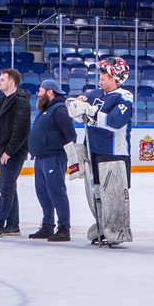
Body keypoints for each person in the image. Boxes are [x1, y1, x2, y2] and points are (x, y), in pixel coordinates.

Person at [80, 56, 136, 247]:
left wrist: (90, 112)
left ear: (115, 78)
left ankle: (118, 230)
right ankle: (103, 227)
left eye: (104, 76)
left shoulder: (124, 97)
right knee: (96, 191)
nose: (100, 79)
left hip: (114, 154)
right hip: (93, 150)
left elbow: (114, 123)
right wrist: (76, 103)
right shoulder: (96, 93)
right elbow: (81, 102)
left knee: (114, 193)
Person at [27, 79, 76, 241]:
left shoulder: (59, 109)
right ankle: (48, 225)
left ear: (49, 92)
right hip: (41, 158)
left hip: (53, 157)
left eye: (40, 90)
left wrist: (68, 153)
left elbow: (70, 134)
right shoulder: (46, 109)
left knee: (56, 192)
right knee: (43, 193)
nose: (37, 94)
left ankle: (64, 227)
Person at [0, 67, 30, 236]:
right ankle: (12, 225)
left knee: (6, 189)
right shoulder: (2, 98)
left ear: (11, 82)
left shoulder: (21, 101)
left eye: (2, 79)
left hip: (14, 152)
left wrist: (9, 151)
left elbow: (21, 129)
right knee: (9, 188)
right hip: (1, 150)